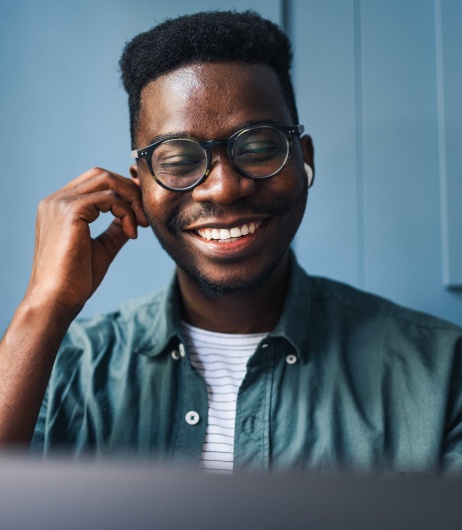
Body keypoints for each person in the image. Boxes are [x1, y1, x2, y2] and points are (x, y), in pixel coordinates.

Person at [0, 10, 461, 473]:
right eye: (178, 158)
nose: (223, 188)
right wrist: (42, 307)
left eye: (259, 148)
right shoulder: (61, 370)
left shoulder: (441, 373)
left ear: (304, 161)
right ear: (140, 185)